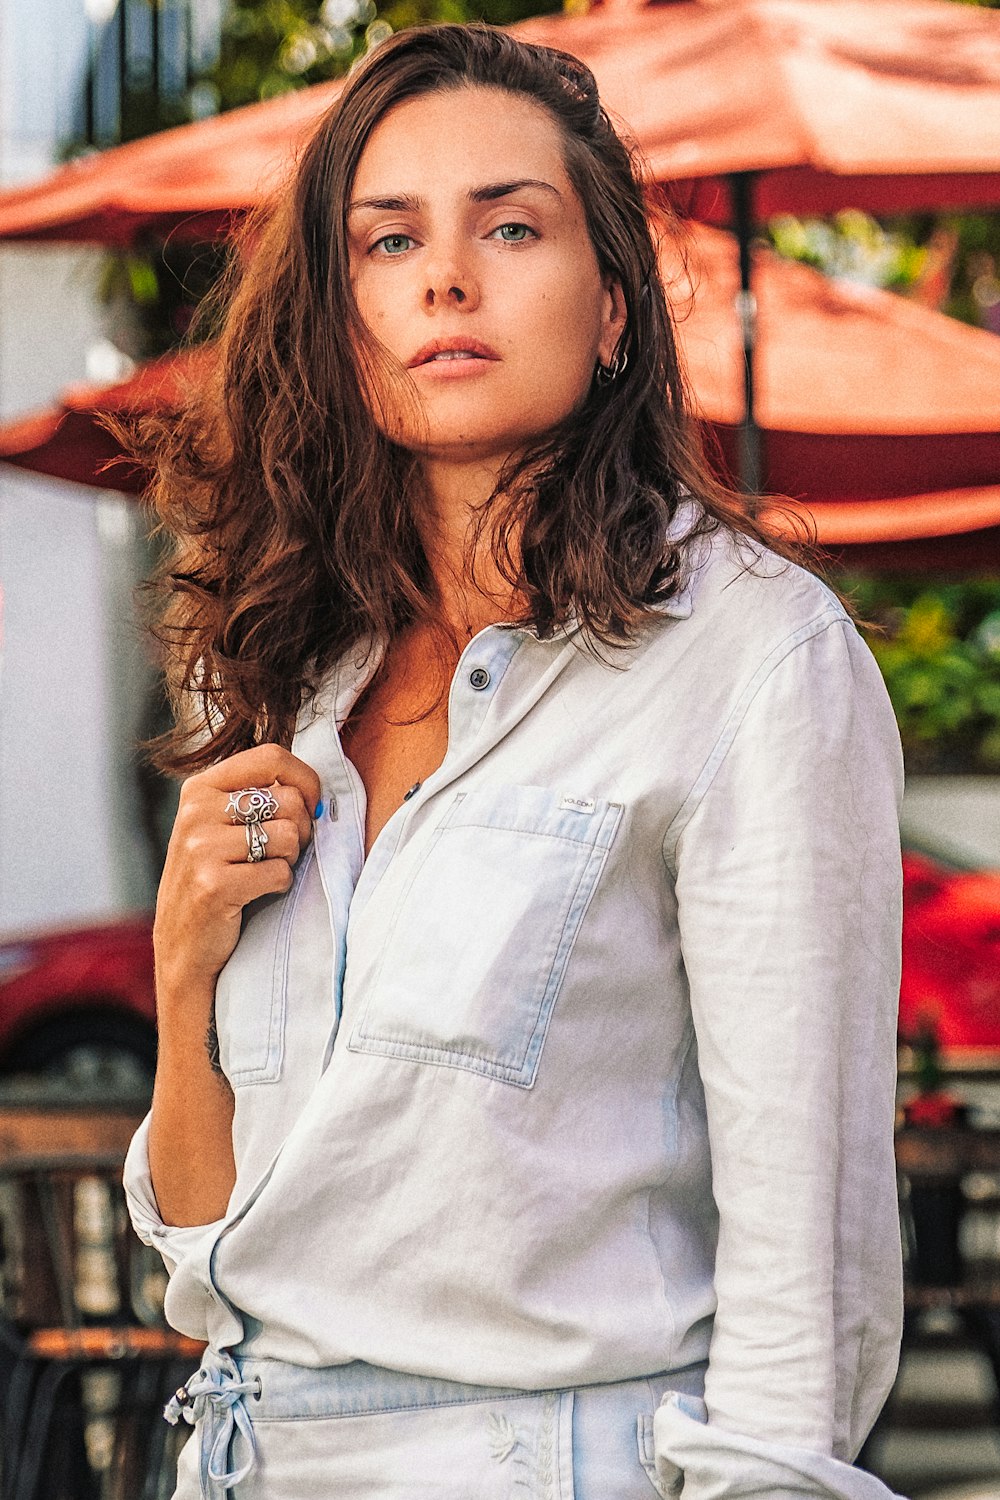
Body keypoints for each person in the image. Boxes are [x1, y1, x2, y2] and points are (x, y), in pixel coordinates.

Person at [123, 23, 906, 1500]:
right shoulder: (309, 672)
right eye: (387, 239)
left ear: (614, 307)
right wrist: (182, 977)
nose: (446, 278)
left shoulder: (749, 662)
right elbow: (204, 1269)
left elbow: (813, 1264)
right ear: (335, 313)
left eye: (512, 226)